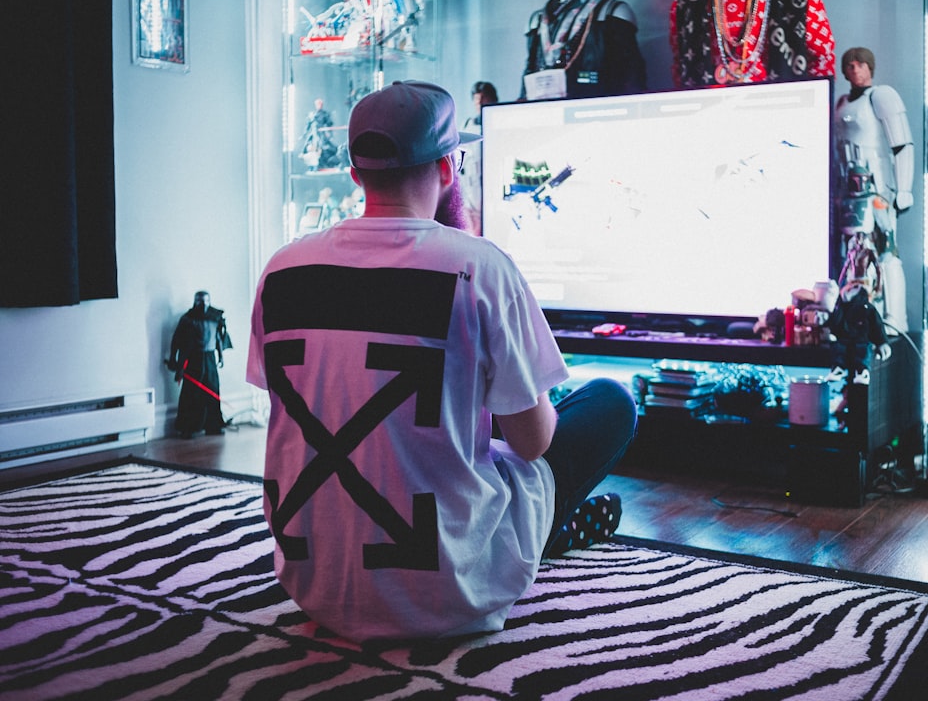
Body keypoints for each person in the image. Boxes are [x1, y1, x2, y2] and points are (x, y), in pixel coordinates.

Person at [247, 80, 638, 643]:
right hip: (450, 588)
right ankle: (548, 532)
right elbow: (532, 444)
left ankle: (552, 527)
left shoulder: (282, 268)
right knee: (609, 402)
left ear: (355, 174)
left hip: (314, 584)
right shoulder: (477, 266)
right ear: (449, 168)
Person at [834, 47, 914, 334]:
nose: (855, 69)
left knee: (887, 253)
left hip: (878, 190)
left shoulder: (881, 96)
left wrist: (904, 188)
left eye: (860, 64)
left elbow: (901, 144)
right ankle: (861, 315)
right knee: (853, 256)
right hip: (848, 191)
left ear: (870, 67)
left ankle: (895, 319)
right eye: (849, 65)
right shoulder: (842, 102)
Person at [670, 0, 835, 88]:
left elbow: (823, 60)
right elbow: (680, 69)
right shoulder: (687, 1)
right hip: (713, 121)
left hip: (779, 117)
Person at [521, 0, 646, 100]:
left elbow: (631, 76)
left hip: (597, 108)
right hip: (545, 109)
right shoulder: (538, 20)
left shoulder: (613, 12)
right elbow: (529, 70)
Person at [166, 291, 233, 439]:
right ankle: (188, 427)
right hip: (194, 358)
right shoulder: (187, 319)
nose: (203, 305)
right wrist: (174, 359)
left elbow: (217, 338)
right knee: (191, 392)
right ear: (195, 302)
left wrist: (221, 356)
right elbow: (177, 340)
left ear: (209, 301)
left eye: (206, 301)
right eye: (200, 301)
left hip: (210, 358)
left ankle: (213, 425)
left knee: (213, 390)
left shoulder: (215, 318)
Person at [460, 81, 497, 234]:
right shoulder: (467, 125)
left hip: (490, 192)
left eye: (483, 98)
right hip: (470, 192)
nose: (479, 103)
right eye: (476, 99)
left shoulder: (496, 122)